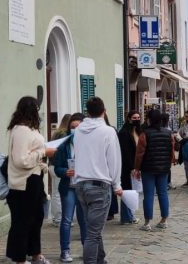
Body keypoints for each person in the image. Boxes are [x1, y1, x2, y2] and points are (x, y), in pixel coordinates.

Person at [6, 96, 56, 264]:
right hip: (24, 183)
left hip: (34, 179)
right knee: (23, 221)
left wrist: (42, 159)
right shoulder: (21, 130)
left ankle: (35, 254)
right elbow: (21, 160)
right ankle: (19, 258)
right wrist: (43, 153)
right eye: (36, 108)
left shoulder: (31, 129)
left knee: (36, 218)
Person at [74, 97, 123, 264]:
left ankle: (101, 260)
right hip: (99, 185)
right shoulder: (108, 131)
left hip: (81, 184)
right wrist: (117, 184)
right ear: (104, 111)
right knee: (93, 234)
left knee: (94, 229)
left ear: (87, 112)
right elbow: (114, 160)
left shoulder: (79, 130)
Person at [133, 109, 174, 231]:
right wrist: (170, 162)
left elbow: (139, 154)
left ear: (149, 119)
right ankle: (164, 220)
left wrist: (137, 168)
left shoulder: (145, 134)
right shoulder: (168, 133)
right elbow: (171, 151)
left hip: (148, 168)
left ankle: (147, 222)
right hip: (163, 168)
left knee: (149, 195)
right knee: (163, 193)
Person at [54, 113, 87, 262]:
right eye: (72, 127)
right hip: (69, 187)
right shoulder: (64, 144)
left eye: (78, 127)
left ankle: (87, 248)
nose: (75, 130)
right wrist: (64, 172)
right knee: (67, 219)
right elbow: (57, 168)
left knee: (84, 219)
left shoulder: (89, 143)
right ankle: (65, 251)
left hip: (84, 186)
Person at [117, 110, 142, 225]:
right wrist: (132, 167)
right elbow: (125, 152)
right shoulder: (124, 133)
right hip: (127, 167)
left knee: (132, 191)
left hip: (136, 166)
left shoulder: (137, 131)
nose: (137, 119)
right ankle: (127, 216)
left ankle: (130, 215)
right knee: (127, 191)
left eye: (138, 117)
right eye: (134, 118)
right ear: (129, 118)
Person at [50, 114, 72, 227]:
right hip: (60, 166)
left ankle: (56, 217)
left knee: (55, 193)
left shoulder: (56, 133)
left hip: (52, 165)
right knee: (60, 193)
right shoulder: (65, 135)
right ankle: (59, 218)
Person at [176, 110, 188, 187]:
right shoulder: (183, 123)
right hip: (185, 144)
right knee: (186, 165)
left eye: (187, 116)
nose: (185, 118)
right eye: (185, 116)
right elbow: (179, 133)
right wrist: (180, 139)